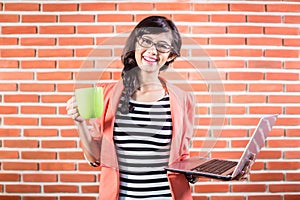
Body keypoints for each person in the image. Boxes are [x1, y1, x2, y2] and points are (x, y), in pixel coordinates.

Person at [66, 15, 251, 200]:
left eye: (162, 46)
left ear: (170, 55)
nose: (152, 51)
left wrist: (222, 170)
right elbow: (95, 157)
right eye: (146, 41)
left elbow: (180, 160)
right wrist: (80, 123)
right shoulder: (107, 94)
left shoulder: (183, 98)